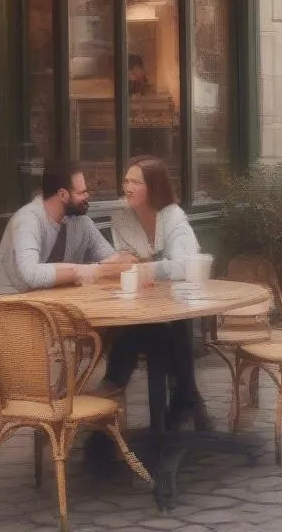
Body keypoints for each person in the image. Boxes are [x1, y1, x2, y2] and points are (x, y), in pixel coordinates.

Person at [101, 156, 210, 430]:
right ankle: (187, 398)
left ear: (153, 186)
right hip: (142, 301)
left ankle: (117, 392)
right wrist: (140, 267)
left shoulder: (172, 216)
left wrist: (147, 268)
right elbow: (127, 260)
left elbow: (184, 265)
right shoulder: (121, 216)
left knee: (169, 327)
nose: (128, 187)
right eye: (126, 180)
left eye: (136, 182)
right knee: (153, 332)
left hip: (179, 297)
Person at [0, 160, 131, 294]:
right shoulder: (27, 219)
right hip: (9, 307)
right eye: (81, 192)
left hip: (54, 306)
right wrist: (89, 271)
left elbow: (112, 260)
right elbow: (31, 274)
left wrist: (123, 263)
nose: (87, 196)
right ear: (63, 195)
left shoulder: (81, 222)